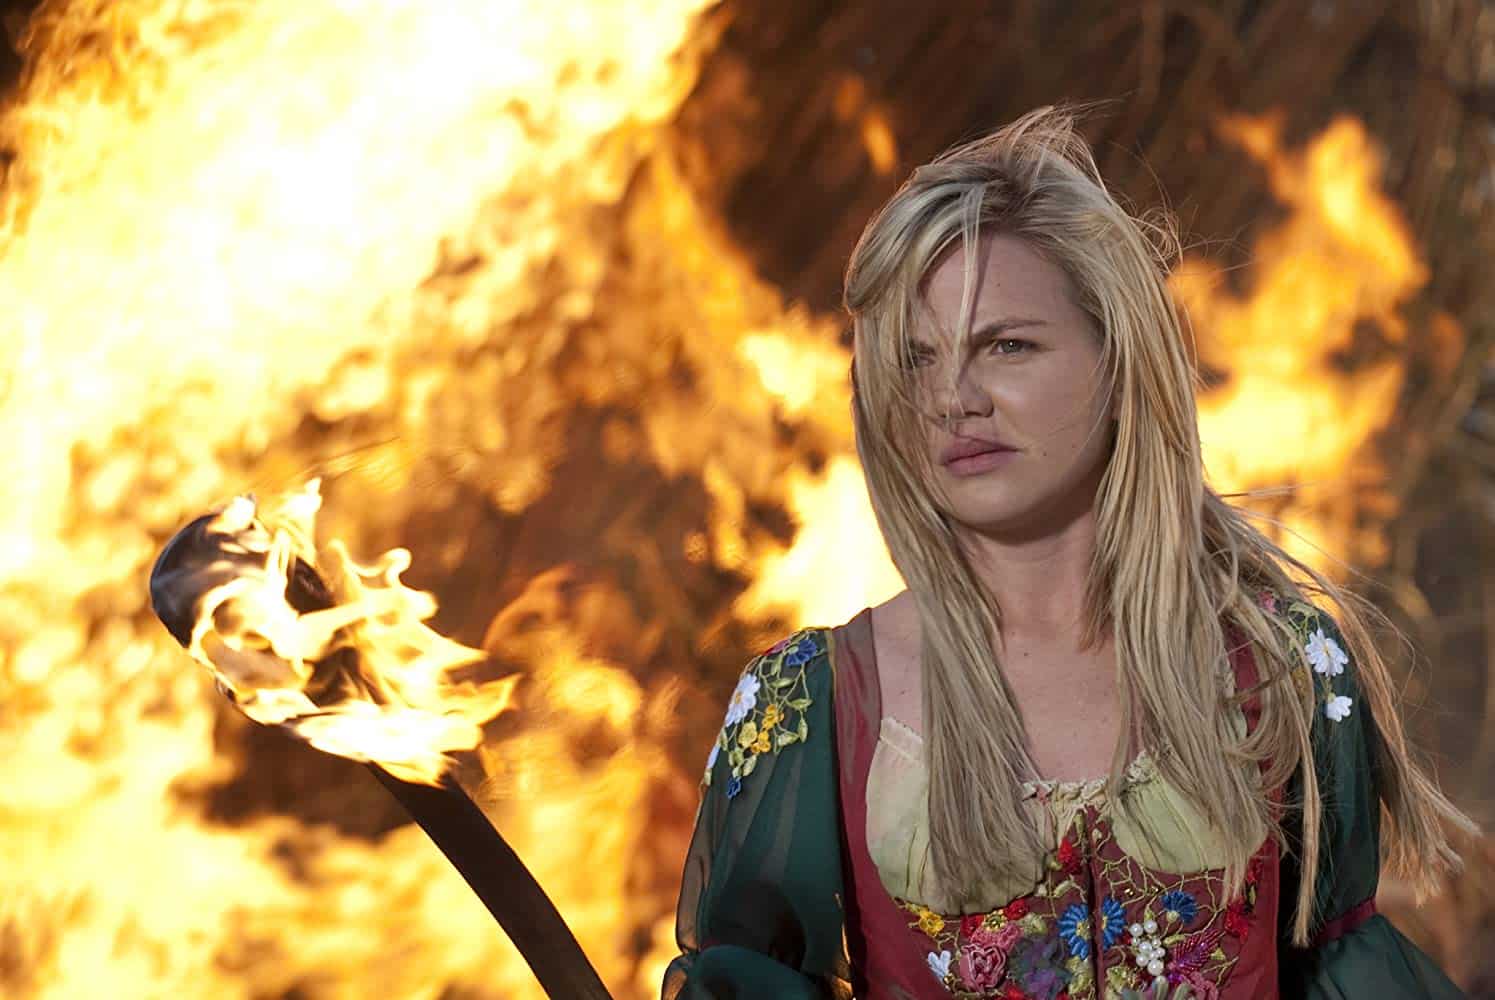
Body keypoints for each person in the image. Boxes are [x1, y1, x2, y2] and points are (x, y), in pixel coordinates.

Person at [660, 107, 1477, 999]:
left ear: (1118, 363)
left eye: (1005, 345)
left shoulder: (1284, 667)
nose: (952, 398)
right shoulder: (810, 706)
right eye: (916, 360)